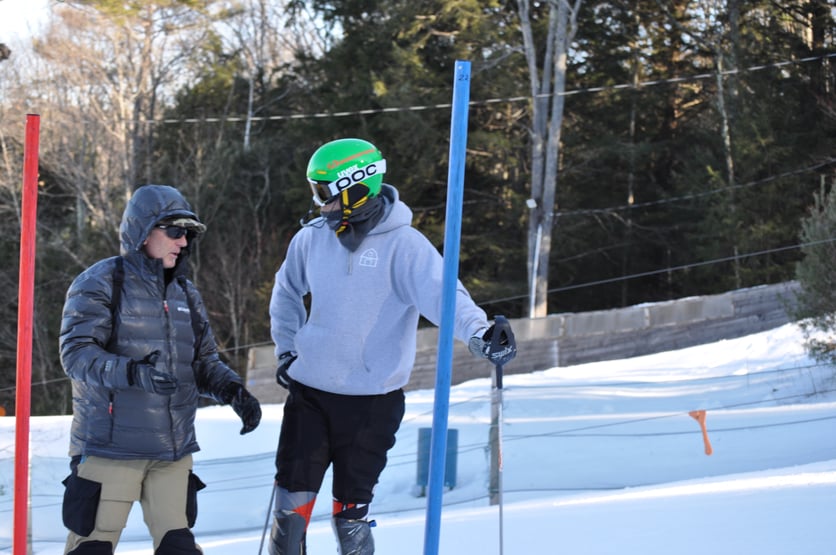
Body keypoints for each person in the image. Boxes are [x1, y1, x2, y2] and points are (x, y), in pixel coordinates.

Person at [267, 138, 517, 554]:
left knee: (350, 520)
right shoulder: (311, 237)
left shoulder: (405, 246)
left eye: (324, 192)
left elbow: (444, 295)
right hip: (309, 394)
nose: (317, 203)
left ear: (356, 186)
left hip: (371, 403)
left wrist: (480, 333)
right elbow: (286, 291)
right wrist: (287, 350)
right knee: (290, 516)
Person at [59, 184, 262, 555]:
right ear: (142, 231)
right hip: (110, 449)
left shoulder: (185, 293)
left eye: (187, 234)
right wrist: (133, 372)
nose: (182, 242)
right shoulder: (101, 281)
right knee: (93, 548)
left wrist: (234, 391)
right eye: (174, 231)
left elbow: (202, 362)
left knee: (178, 548)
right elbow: (76, 354)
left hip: (172, 451)